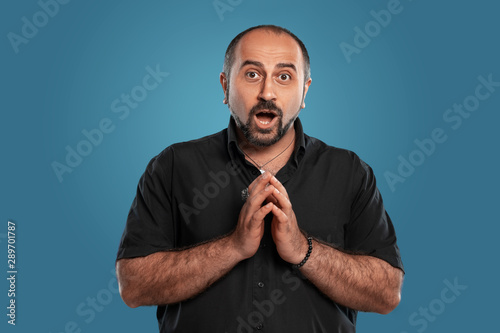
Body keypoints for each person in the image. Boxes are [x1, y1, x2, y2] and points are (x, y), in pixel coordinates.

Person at [116, 25, 404, 332]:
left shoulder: (349, 172)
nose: (267, 92)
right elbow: (133, 286)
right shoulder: (173, 166)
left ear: (304, 91)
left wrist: (303, 250)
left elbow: (387, 294)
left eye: (284, 76)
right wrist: (233, 247)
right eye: (252, 74)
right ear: (225, 86)